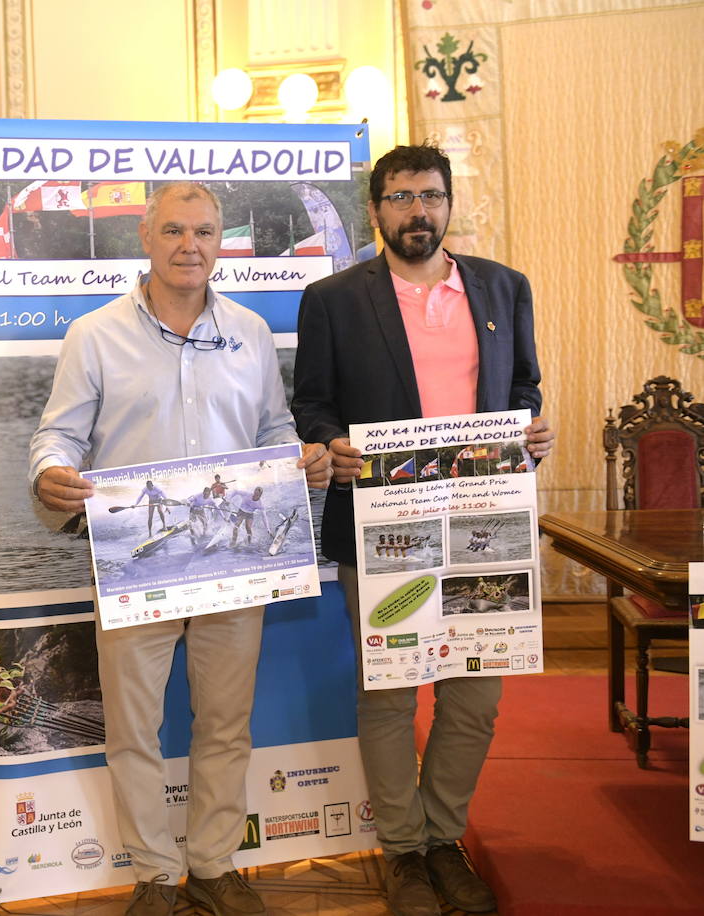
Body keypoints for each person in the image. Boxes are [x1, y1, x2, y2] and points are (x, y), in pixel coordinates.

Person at [29, 181, 331, 916]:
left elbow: (271, 430)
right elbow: (58, 435)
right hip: (136, 562)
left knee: (225, 723)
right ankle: (156, 876)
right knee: (135, 727)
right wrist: (50, 474)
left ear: (219, 241)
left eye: (202, 231)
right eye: (172, 231)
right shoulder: (95, 334)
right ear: (145, 238)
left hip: (235, 559)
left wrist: (300, 458)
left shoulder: (252, 333)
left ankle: (213, 864)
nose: (188, 245)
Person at [291, 142, 555, 916]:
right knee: (390, 696)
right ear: (375, 210)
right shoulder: (334, 298)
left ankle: (445, 839)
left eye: (431, 196)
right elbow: (313, 403)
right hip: (383, 527)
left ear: (448, 204)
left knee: (475, 700)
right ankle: (404, 854)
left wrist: (534, 430)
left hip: (484, 526)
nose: (418, 211)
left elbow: (525, 387)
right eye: (401, 197)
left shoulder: (505, 288)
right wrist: (328, 444)